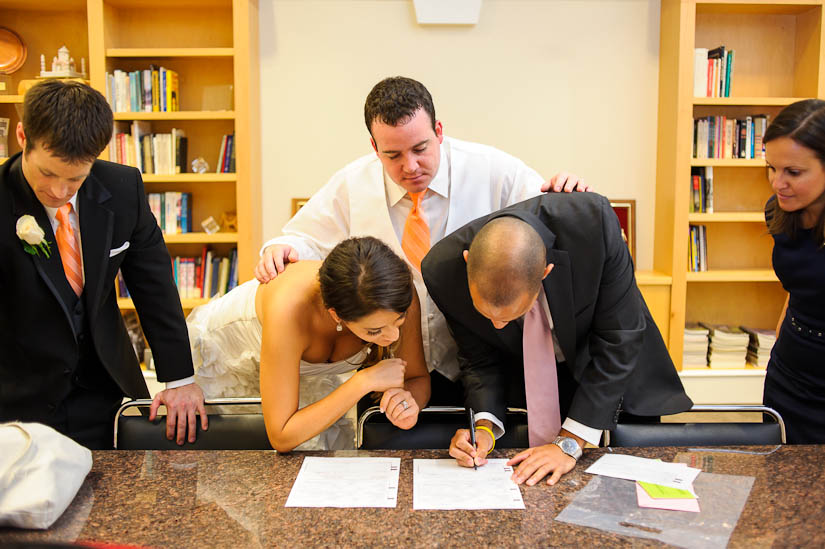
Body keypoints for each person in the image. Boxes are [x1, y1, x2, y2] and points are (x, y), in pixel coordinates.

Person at [254, 76, 589, 405]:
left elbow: (545, 224)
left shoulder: (494, 171)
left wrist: (569, 195)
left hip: (487, 362)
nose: (410, 166)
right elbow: (303, 238)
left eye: (420, 148)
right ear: (374, 148)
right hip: (402, 368)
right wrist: (281, 248)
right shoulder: (351, 185)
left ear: (439, 132)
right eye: (393, 155)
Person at [421, 193, 693, 485]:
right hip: (531, 394)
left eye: (512, 315)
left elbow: (619, 338)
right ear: (467, 262)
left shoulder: (594, 225)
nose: (497, 326)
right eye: (484, 313)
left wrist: (570, 442)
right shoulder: (442, 271)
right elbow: (478, 359)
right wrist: (484, 429)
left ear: (545, 273)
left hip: (614, 385)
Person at [0, 80, 206, 449]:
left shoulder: (124, 189)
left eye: (75, 179)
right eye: (47, 174)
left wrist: (179, 381)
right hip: (17, 402)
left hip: (106, 392)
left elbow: (154, 287)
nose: (60, 192)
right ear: (22, 136)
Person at [187, 236, 430, 451]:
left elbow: (417, 378)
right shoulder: (289, 310)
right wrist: (362, 382)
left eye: (399, 321)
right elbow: (281, 436)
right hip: (228, 367)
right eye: (374, 331)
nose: (394, 337)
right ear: (337, 316)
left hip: (302, 377)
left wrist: (409, 404)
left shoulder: (396, 294)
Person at [762, 99, 825, 444]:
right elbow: (799, 289)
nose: (777, 182)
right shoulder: (780, 211)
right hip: (789, 369)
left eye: (793, 173)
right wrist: (779, 346)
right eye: (771, 167)